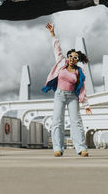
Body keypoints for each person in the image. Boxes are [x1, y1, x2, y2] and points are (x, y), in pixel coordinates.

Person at [42, 23, 91, 157]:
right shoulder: (61, 64)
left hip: (72, 97)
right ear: (67, 57)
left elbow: (82, 89)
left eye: (75, 57)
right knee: (57, 121)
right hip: (59, 95)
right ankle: (58, 148)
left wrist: (86, 105)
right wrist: (53, 34)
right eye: (70, 56)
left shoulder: (79, 72)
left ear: (77, 60)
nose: (71, 59)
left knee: (77, 122)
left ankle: (81, 148)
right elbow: (57, 49)